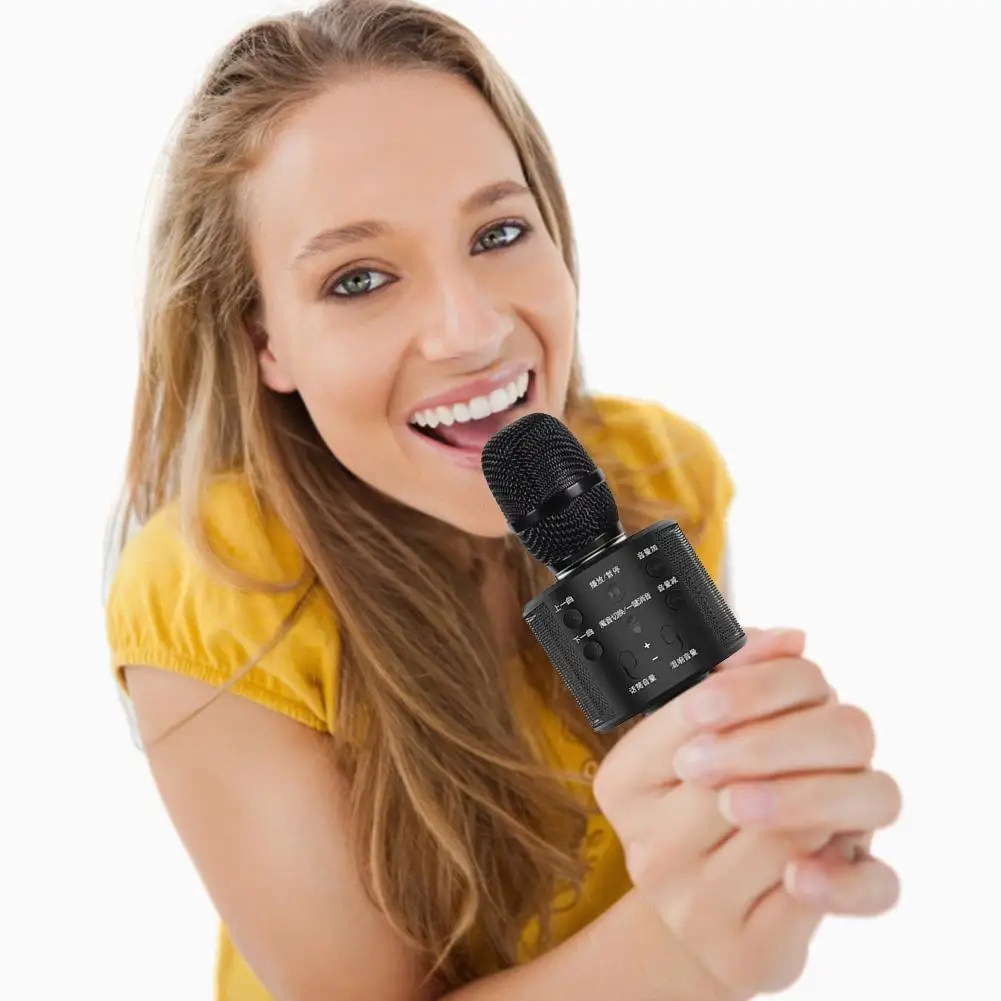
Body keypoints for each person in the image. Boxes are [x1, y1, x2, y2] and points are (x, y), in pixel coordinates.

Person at [104, 2, 902, 999]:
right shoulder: (215, 589)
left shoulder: (661, 472)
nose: (470, 329)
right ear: (265, 340)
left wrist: (773, 829)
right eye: (358, 279)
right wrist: (687, 947)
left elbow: (708, 827)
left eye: (498, 231)